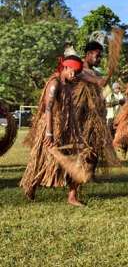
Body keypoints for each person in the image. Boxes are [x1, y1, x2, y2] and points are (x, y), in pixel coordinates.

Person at [20, 55, 96, 205]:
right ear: (65, 67)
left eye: (77, 72)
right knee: (44, 161)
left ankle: (72, 196)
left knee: (79, 158)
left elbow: (70, 110)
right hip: (51, 128)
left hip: (66, 128)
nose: (74, 75)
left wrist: (76, 132)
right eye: (72, 71)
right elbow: (48, 109)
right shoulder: (54, 83)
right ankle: (31, 185)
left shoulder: (68, 84)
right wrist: (49, 132)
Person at [73, 41, 120, 169]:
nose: (99, 59)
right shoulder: (77, 69)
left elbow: (104, 94)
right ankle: (75, 170)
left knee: (95, 142)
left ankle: (90, 172)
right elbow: (83, 76)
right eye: (97, 56)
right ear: (88, 54)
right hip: (78, 115)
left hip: (95, 115)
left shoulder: (97, 73)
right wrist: (97, 80)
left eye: (101, 56)